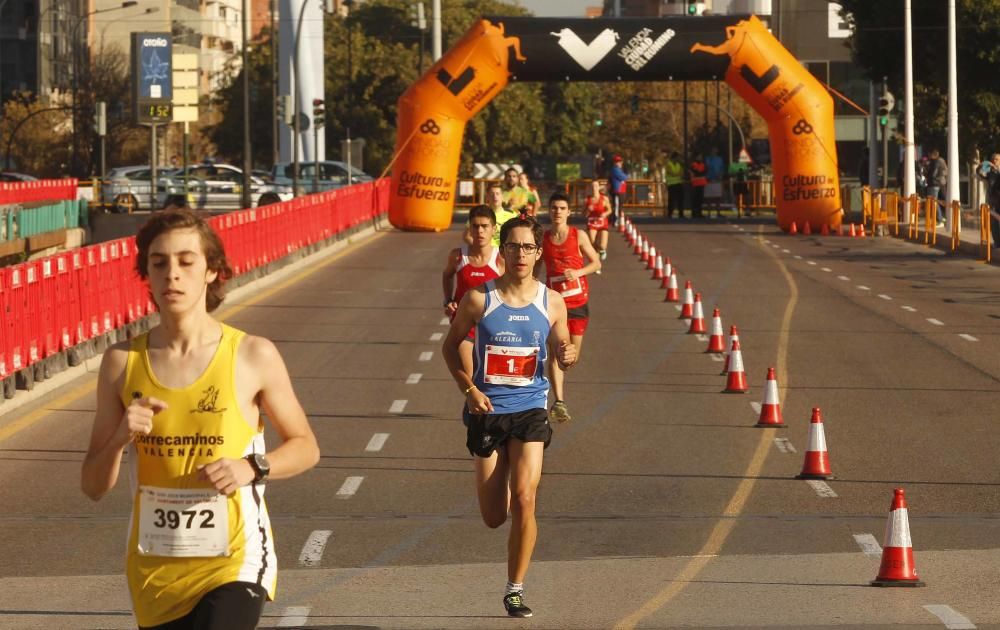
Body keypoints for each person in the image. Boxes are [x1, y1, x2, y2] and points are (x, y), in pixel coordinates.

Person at [81, 208, 320, 630]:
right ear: (147, 274)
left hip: (234, 561)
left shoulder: (251, 355)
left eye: (186, 261)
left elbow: (305, 446)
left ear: (212, 271)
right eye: (159, 263)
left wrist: (252, 467)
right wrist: (120, 436)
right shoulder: (121, 363)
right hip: (156, 569)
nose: (172, 274)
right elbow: (93, 486)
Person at [441, 216, 577, 619]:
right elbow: (450, 349)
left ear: (539, 253)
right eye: (513, 246)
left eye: (528, 247)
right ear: (504, 251)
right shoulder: (479, 299)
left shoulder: (551, 301)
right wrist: (470, 390)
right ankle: (499, 493)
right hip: (486, 411)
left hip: (531, 408)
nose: (520, 254)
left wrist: (568, 353)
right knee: (493, 517)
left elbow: (563, 344)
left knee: (525, 498)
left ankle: (514, 589)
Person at [536, 192, 601, 424]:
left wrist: (578, 272)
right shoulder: (543, 239)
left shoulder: (578, 235)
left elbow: (596, 262)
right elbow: (536, 269)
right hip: (554, 304)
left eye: (562, 208)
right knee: (556, 352)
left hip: (578, 303)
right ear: (549, 210)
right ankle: (559, 402)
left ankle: (559, 392)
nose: (557, 212)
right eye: (554, 208)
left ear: (568, 212)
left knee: (570, 359)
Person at [443, 205, 503, 377]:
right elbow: (447, 275)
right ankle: (471, 401)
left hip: (492, 327)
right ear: (470, 228)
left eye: (485, 226)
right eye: (475, 226)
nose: (480, 231)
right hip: (464, 325)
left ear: (493, 229)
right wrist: (448, 301)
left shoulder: (500, 259)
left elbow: (510, 291)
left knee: (488, 379)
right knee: (470, 378)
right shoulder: (458, 256)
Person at [976, 152, 1000, 249]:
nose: (995, 161)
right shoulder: (990, 171)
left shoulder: (998, 171)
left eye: (997, 159)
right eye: (993, 159)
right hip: (993, 199)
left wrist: (997, 169)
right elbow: (979, 172)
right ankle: (997, 242)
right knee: (994, 222)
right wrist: (983, 164)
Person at [584, 179, 612, 262]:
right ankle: (596, 263)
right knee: (593, 244)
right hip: (592, 223)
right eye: (592, 186)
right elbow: (584, 214)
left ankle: (602, 251)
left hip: (602, 223)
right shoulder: (587, 200)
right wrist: (588, 210)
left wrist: (605, 214)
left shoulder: (604, 198)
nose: (594, 188)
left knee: (602, 245)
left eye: (596, 186)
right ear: (590, 188)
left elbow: (610, 210)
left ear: (599, 187)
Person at [925, 148, 948, 227]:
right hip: (940, 184)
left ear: (932, 155)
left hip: (934, 184)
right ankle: (942, 217)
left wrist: (932, 177)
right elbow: (945, 171)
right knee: (939, 201)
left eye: (930, 155)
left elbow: (933, 173)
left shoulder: (936, 162)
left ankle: (940, 219)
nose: (929, 156)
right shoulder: (941, 161)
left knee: (934, 202)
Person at [704, 147, 725, 217]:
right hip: (709, 180)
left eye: (715, 150)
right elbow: (707, 167)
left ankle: (718, 212)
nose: (714, 152)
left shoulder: (719, 159)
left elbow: (722, 168)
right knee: (709, 197)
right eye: (713, 150)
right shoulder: (707, 159)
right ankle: (709, 213)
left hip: (717, 180)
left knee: (718, 197)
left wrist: (720, 175)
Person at [608, 154, 628, 226]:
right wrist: (625, 176)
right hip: (617, 191)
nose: (619, 163)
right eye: (617, 162)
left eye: (620, 161)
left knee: (619, 206)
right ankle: (615, 220)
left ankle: (616, 219)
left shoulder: (619, 169)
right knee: (617, 206)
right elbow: (624, 177)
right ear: (614, 163)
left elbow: (624, 177)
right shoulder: (615, 170)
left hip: (620, 190)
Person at [665, 152, 685, 219]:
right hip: (671, 184)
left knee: (680, 199)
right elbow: (672, 173)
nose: (678, 159)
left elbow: (682, 173)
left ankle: (681, 213)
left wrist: (679, 174)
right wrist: (679, 174)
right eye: (677, 157)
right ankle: (670, 213)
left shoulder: (679, 164)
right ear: (674, 157)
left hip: (679, 183)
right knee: (671, 200)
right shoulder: (669, 164)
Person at [689, 152, 708, 218]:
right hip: (695, 184)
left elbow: (705, 171)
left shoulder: (703, 164)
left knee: (700, 200)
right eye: (699, 156)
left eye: (701, 157)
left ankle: (699, 213)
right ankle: (694, 213)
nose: (700, 158)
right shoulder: (693, 164)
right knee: (695, 199)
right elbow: (695, 172)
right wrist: (700, 173)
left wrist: (700, 173)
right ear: (696, 157)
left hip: (701, 184)